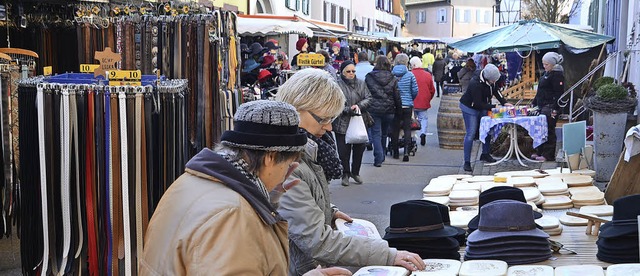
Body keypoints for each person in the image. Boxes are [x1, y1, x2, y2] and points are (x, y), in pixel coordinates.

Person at [140, 100, 351, 275]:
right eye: (288, 164)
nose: (287, 173)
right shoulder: (232, 214)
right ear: (271, 157)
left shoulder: (192, 181)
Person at [275, 69, 426, 275]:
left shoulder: (307, 149)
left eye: (331, 119)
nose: (329, 127)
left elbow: (302, 203)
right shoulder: (288, 163)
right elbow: (317, 240)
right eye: (323, 118)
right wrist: (386, 254)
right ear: (297, 109)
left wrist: (328, 210)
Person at [459, 64, 512, 172]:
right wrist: (494, 107)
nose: (494, 82)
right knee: (471, 133)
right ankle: (467, 162)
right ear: (488, 78)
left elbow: (496, 90)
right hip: (470, 107)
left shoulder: (491, 80)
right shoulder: (475, 83)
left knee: (487, 128)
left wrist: (504, 102)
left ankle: (485, 153)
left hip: (483, 105)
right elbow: (478, 103)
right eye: (493, 81)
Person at [332, 61, 372, 186]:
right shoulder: (337, 85)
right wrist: (348, 109)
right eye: (348, 71)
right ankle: (345, 173)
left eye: (353, 71)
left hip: (359, 120)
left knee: (359, 149)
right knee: (343, 151)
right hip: (342, 122)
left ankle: (355, 172)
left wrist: (359, 106)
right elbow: (334, 103)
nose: (351, 74)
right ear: (343, 72)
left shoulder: (361, 83)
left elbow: (369, 98)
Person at [365, 56, 402, 167]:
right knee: (384, 133)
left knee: (376, 133)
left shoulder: (369, 77)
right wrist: (399, 110)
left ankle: (378, 157)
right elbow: (397, 96)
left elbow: (366, 93)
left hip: (374, 109)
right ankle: (382, 155)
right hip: (389, 109)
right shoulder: (393, 78)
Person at [531, 52, 565, 162]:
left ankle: (548, 155)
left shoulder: (557, 74)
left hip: (550, 107)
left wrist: (555, 109)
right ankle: (539, 151)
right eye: (543, 64)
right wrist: (534, 102)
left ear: (553, 64)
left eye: (547, 64)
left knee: (549, 131)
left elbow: (558, 93)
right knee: (541, 129)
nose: (544, 66)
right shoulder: (546, 73)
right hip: (542, 106)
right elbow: (540, 90)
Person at [391, 54, 419, 162]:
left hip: (395, 105)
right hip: (407, 105)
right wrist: (410, 98)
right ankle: (406, 151)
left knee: (395, 128)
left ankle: (396, 152)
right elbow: (415, 90)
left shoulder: (392, 74)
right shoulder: (410, 75)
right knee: (407, 128)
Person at [409, 57, 436, 146]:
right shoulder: (427, 75)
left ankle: (412, 137)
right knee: (423, 118)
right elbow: (432, 90)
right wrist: (428, 98)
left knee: (411, 120)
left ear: (412, 65)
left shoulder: (409, 74)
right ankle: (423, 133)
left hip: (411, 102)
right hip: (423, 102)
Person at [355, 51, 376, 151]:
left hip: (357, 98)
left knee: (360, 119)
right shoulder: (372, 69)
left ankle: (361, 138)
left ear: (358, 59)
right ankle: (369, 140)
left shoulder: (354, 69)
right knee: (370, 119)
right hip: (371, 97)